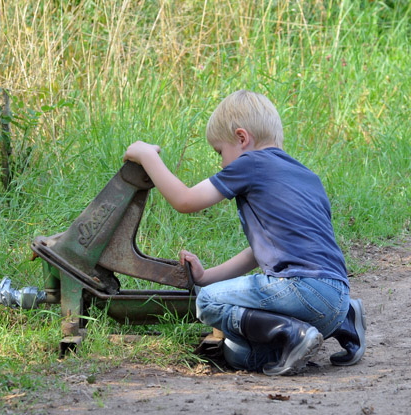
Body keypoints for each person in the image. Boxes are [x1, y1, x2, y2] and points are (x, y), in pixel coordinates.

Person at [123, 90, 366, 375]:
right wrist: (206, 276)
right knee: (239, 355)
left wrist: (147, 156)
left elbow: (185, 201)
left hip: (301, 289)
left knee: (208, 300)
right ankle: (346, 321)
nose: (222, 164)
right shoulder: (307, 177)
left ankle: (290, 333)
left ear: (242, 138)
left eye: (220, 152)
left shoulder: (251, 163)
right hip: (335, 297)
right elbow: (261, 252)